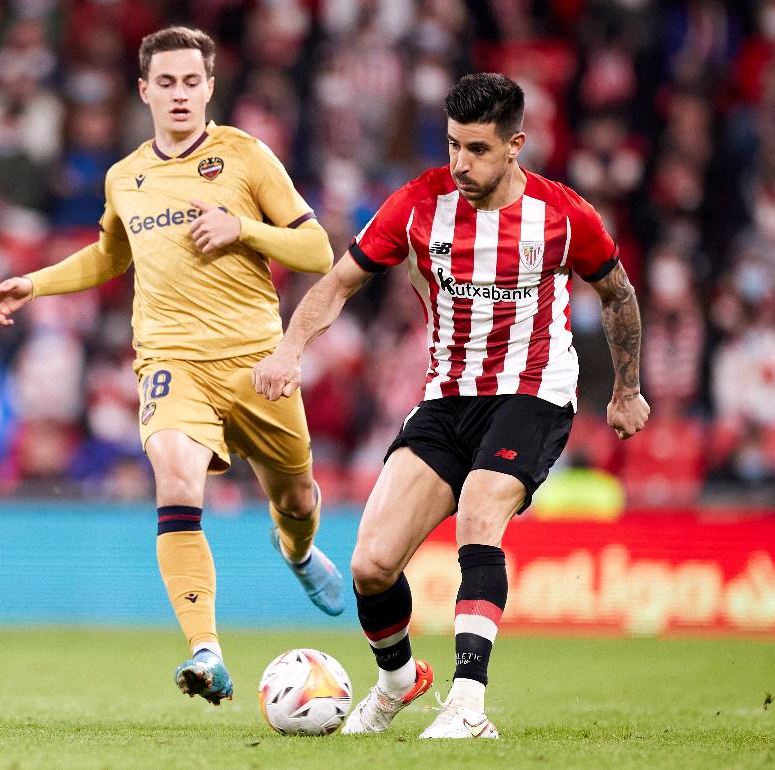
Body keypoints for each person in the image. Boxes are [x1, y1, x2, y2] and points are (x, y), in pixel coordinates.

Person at [254, 73, 650, 739]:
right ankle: (398, 682)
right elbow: (340, 282)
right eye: (452, 146)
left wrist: (627, 389)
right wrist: (290, 349)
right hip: (447, 396)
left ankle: (468, 706)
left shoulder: (561, 215)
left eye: (477, 149)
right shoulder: (417, 205)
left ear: (515, 145)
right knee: (371, 565)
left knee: (478, 514)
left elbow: (618, 294)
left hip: (533, 391)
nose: (460, 163)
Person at [0, 26, 342, 707]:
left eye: (191, 81)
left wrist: (243, 228)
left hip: (256, 363)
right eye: (167, 82)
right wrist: (34, 283)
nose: (180, 94)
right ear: (144, 90)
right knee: (174, 479)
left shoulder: (245, 155)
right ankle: (207, 651)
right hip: (171, 361)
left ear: (210, 87)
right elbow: (108, 257)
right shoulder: (126, 177)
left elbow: (318, 251)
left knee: (296, 500)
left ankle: (296, 549)